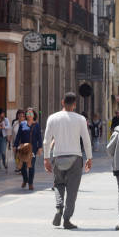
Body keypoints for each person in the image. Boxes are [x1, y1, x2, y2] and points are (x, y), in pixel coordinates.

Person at [43, 92, 93, 229]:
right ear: (75, 104)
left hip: (58, 157)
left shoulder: (53, 118)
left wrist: (46, 158)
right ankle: (66, 219)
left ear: (62, 102)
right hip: (75, 158)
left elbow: (47, 141)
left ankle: (59, 207)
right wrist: (89, 157)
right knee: (72, 190)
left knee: (59, 184)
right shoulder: (81, 119)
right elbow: (86, 140)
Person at [13, 107, 43, 190]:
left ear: (33, 115)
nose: (29, 115)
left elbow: (39, 138)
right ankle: (25, 179)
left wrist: (40, 148)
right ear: (26, 115)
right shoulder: (22, 124)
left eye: (31, 114)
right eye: (28, 113)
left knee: (31, 166)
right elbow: (18, 136)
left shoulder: (36, 125)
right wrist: (15, 146)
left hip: (32, 148)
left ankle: (30, 183)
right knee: (22, 166)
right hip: (23, 148)